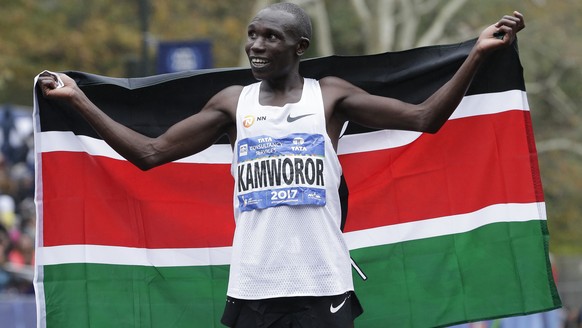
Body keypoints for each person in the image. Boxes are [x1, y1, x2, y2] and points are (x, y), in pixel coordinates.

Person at [38, 2, 525, 327]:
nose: (256, 45)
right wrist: (78, 99)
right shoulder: (233, 104)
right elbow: (148, 153)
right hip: (253, 285)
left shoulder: (330, 96)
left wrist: (477, 54)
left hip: (323, 284)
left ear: (299, 47)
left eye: (271, 37)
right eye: (252, 35)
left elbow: (425, 118)